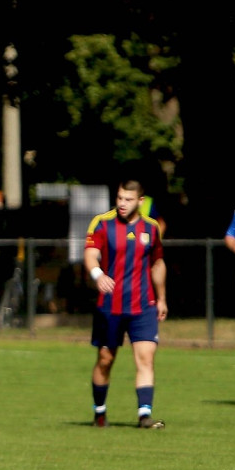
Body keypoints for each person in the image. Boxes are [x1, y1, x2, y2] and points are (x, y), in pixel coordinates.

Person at [84, 178, 166, 429]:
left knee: (145, 358)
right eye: (119, 198)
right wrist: (98, 275)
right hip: (110, 306)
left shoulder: (151, 228)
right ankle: (99, 411)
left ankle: (144, 415)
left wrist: (161, 298)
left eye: (128, 199)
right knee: (106, 359)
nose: (122, 203)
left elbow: (157, 264)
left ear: (140, 201)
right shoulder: (102, 223)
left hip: (144, 306)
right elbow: (90, 254)